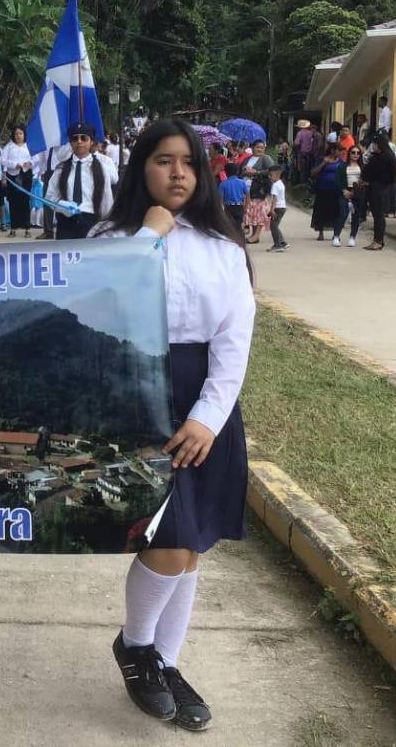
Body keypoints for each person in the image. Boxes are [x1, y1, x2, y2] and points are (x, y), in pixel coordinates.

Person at [88, 119, 254, 734]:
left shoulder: (225, 244)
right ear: (141, 169)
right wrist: (147, 239)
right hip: (139, 392)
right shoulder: (112, 237)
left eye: (188, 161)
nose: (178, 172)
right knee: (167, 540)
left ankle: (164, 660)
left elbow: (234, 339)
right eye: (163, 160)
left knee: (191, 546)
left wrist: (209, 417)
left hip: (205, 398)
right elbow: (104, 308)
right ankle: (137, 646)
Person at [43, 123, 119, 239]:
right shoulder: (61, 168)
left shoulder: (101, 168)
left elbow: (106, 200)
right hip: (65, 222)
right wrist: (61, 205)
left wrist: (107, 226)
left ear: (91, 142)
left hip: (91, 222)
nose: (79, 142)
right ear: (70, 143)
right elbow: (49, 196)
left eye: (84, 138)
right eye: (75, 138)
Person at [360, 132, 396, 250]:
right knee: (378, 215)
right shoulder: (382, 155)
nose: (373, 147)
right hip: (378, 187)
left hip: (380, 188)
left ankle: (378, 240)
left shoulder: (384, 157)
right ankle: (377, 240)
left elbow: (370, 171)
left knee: (378, 215)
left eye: (375, 144)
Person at [1, 126, 34, 237]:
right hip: (13, 176)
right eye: (16, 134)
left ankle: (27, 229)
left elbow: (37, 158)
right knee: (13, 202)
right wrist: (15, 164)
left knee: (25, 201)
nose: (18, 136)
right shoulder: (9, 146)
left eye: (20, 133)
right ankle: (13, 228)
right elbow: (3, 161)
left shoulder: (29, 146)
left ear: (24, 135)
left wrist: (30, 163)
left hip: (26, 176)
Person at [309, 143, 345, 242]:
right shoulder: (322, 159)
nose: (340, 152)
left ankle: (336, 233)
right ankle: (321, 232)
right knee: (321, 211)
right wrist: (324, 163)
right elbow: (313, 173)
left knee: (335, 211)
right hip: (322, 189)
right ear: (332, 150)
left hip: (336, 191)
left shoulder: (341, 162)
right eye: (338, 150)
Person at [241, 141, 274, 244]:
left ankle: (256, 235)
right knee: (252, 212)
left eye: (262, 148)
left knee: (259, 211)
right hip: (247, 188)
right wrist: (245, 171)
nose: (260, 149)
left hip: (259, 188)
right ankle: (254, 235)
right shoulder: (247, 159)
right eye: (257, 147)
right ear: (252, 147)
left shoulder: (266, 158)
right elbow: (241, 170)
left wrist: (256, 172)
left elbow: (272, 170)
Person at [341, 146, 366, 247]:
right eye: (353, 152)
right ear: (349, 154)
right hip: (346, 190)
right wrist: (344, 190)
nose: (355, 154)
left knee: (356, 215)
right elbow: (339, 179)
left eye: (358, 153)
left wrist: (362, 183)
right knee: (342, 213)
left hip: (358, 191)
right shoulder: (343, 166)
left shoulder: (362, 167)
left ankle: (352, 237)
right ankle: (336, 235)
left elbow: (366, 179)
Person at [219, 164, 248, 232]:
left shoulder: (223, 184)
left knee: (229, 225)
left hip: (228, 207)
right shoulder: (242, 182)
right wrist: (246, 207)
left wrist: (221, 209)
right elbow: (248, 196)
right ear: (237, 172)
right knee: (238, 224)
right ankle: (239, 239)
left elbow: (220, 198)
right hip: (239, 206)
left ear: (226, 172)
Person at [267, 166, 288, 252]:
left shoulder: (275, 185)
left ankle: (278, 245)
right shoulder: (280, 183)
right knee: (275, 226)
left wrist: (272, 209)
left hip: (278, 208)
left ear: (277, 174)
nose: (269, 177)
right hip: (282, 207)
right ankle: (282, 242)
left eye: (270, 175)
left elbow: (275, 198)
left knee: (273, 226)